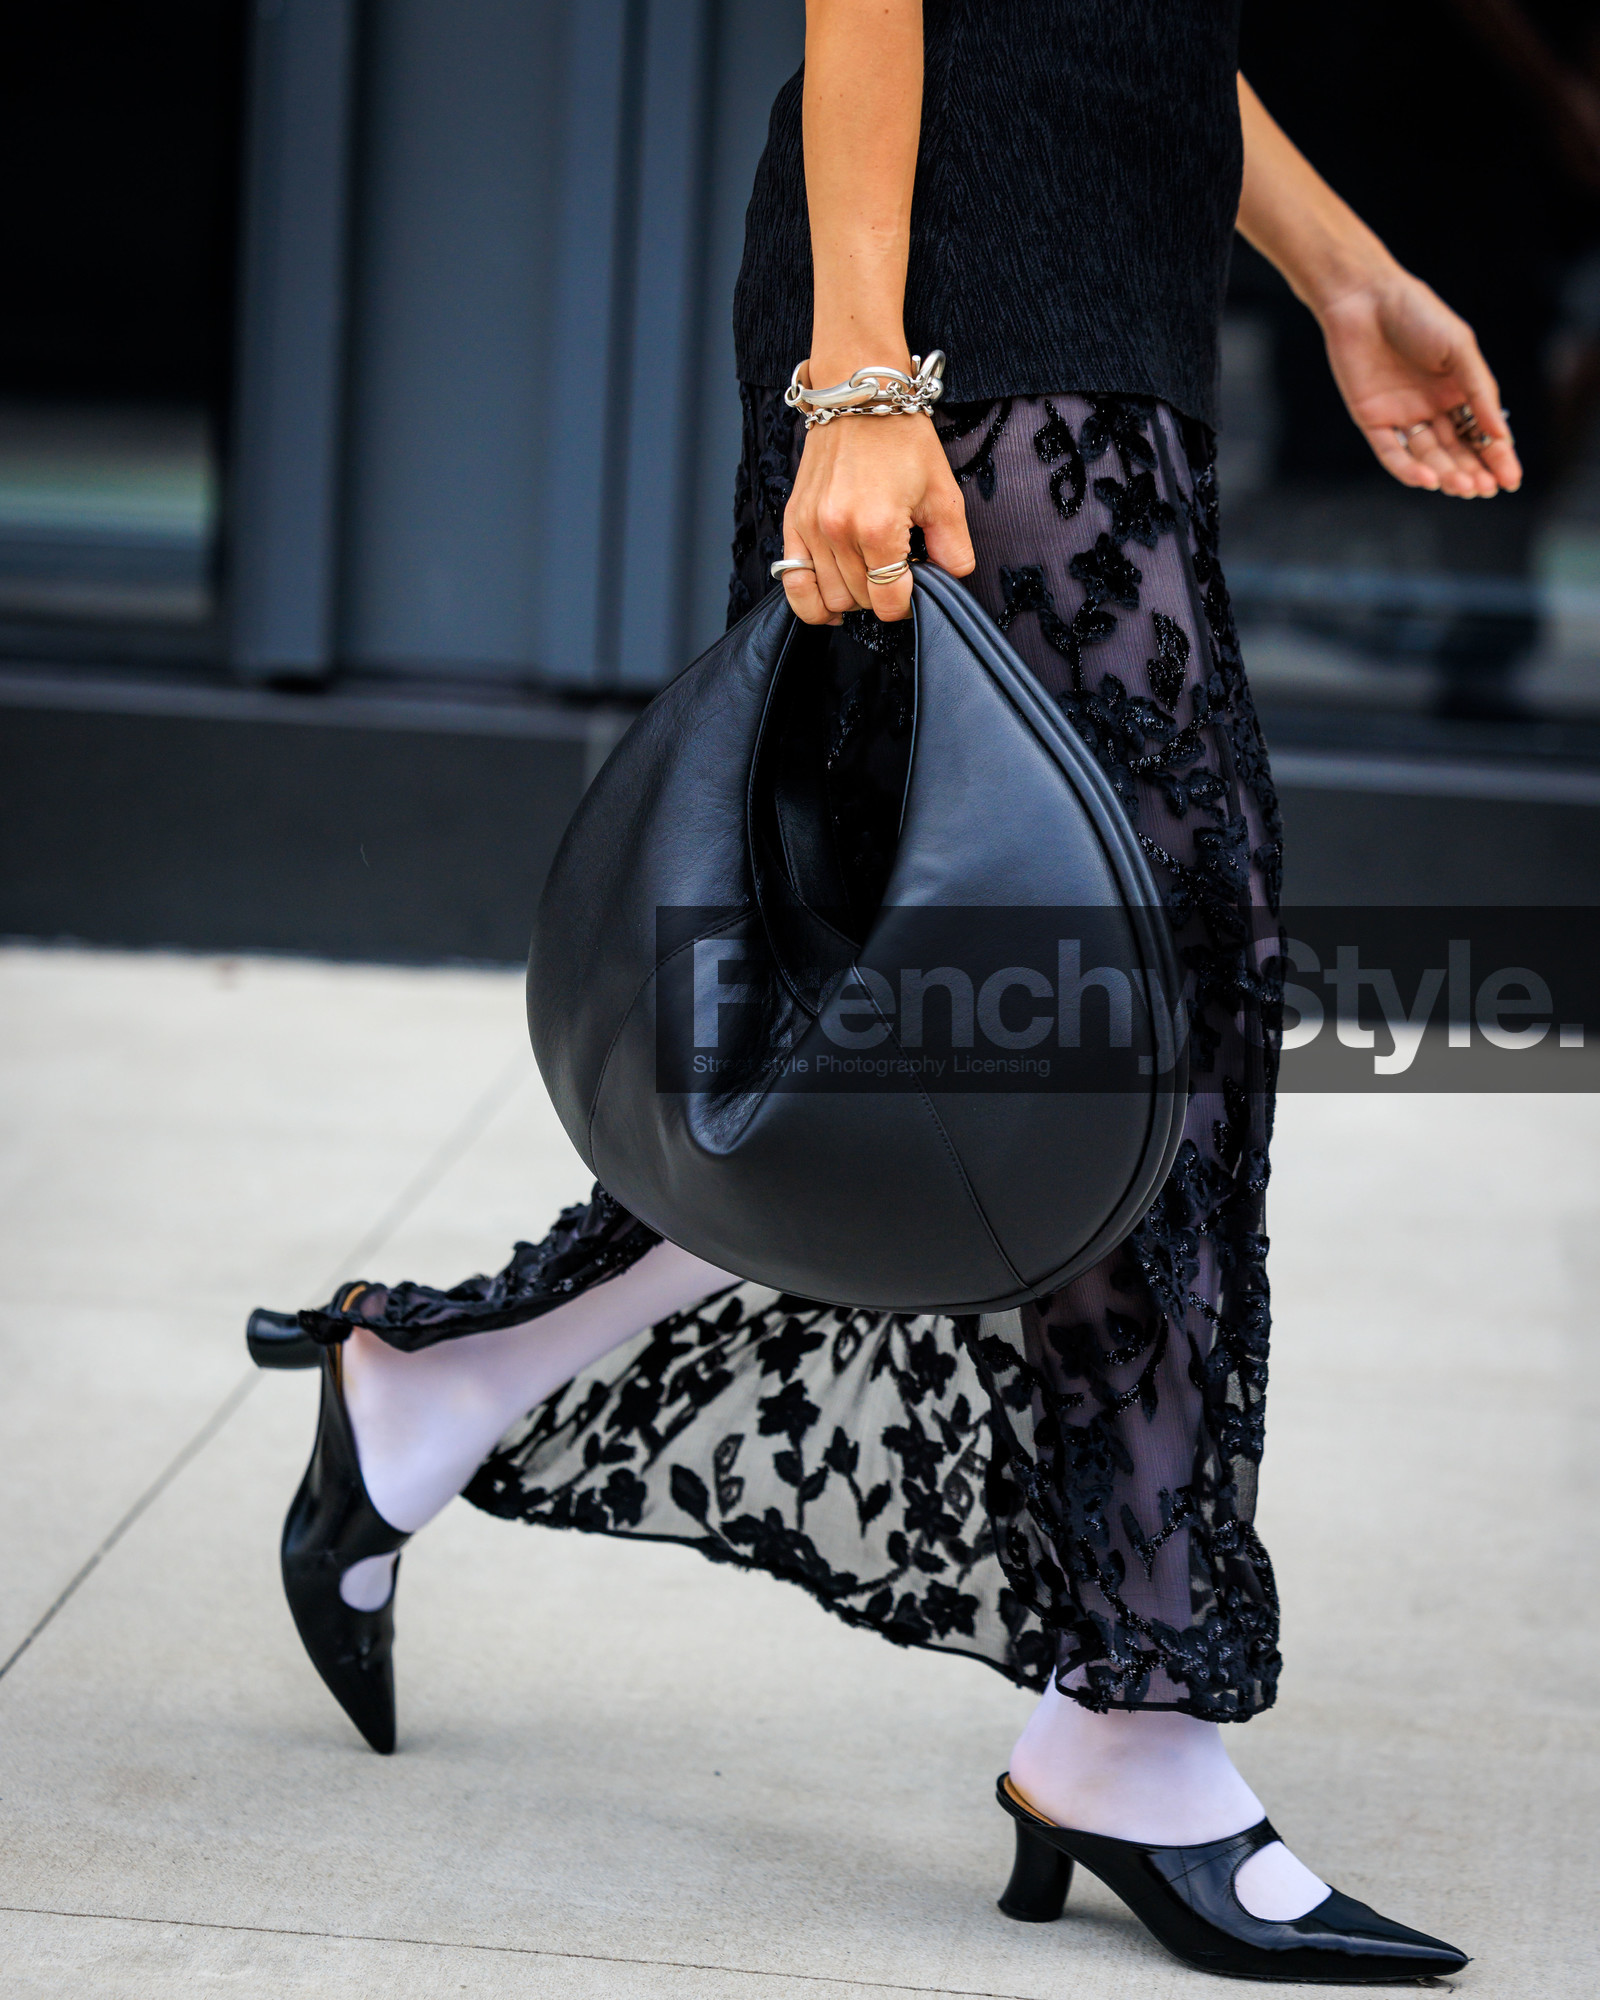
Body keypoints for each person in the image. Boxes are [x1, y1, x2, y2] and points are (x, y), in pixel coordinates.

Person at [248, 2, 1519, 1981]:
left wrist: (1350, 280)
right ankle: (1135, 1725)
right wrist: (856, 376)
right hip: (952, 284)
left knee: (968, 1007)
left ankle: (441, 1388)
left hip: (1103, 263)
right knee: (1131, 996)